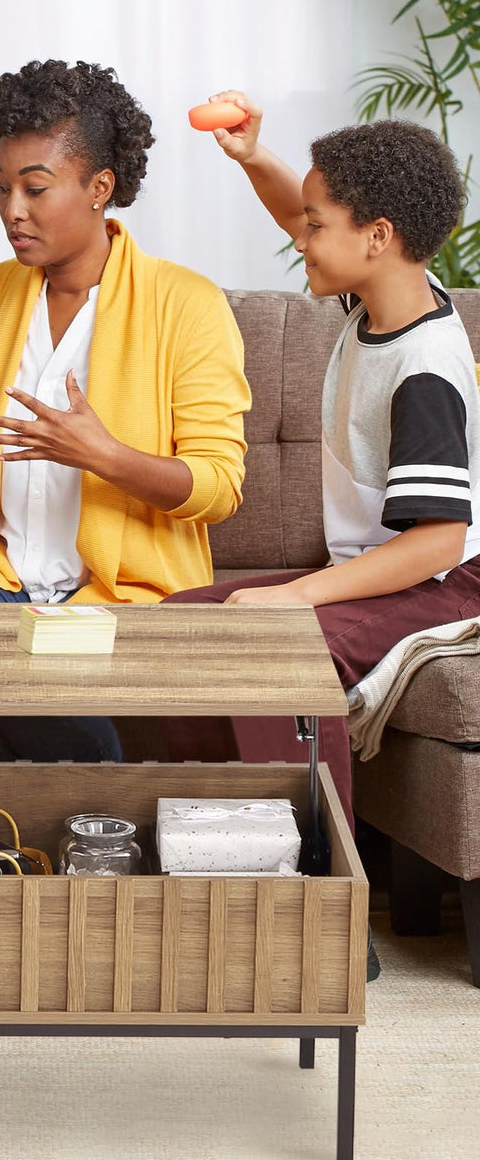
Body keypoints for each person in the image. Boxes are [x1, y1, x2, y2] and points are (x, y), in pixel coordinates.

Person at [0, 59, 250, 763]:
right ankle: (28, 814)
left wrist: (105, 456)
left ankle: (77, 806)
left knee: (48, 680)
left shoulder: (187, 304)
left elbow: (219, 488)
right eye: (2, 187)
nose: (13, 209)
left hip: (118, 590)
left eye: (35, 188)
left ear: (100, 188)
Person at [164, 95, 480, 841]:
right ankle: (210, 840)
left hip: (449, 576)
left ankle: (321, 873)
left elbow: (438, 541)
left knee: (282, 644)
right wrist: (253, 158)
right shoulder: (383, 295)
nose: (299, 240)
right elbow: (302, 216)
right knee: (178, 625)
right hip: (388, 565)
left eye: (315, 227)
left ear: (378, 236)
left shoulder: (423, 369)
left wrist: (296, 596)